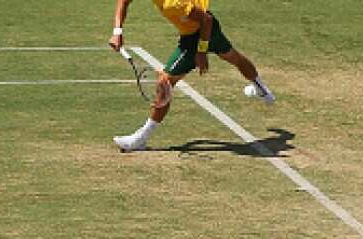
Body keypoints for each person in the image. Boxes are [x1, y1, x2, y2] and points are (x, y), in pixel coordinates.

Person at [107, 0, 275, 151]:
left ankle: (140, 139)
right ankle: (260, 87)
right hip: (208, 26)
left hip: (199, 33)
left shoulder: (174, 3)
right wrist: (117, 31)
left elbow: (205, 21)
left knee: (165, 82)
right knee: (233, 57)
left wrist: (201, 51)